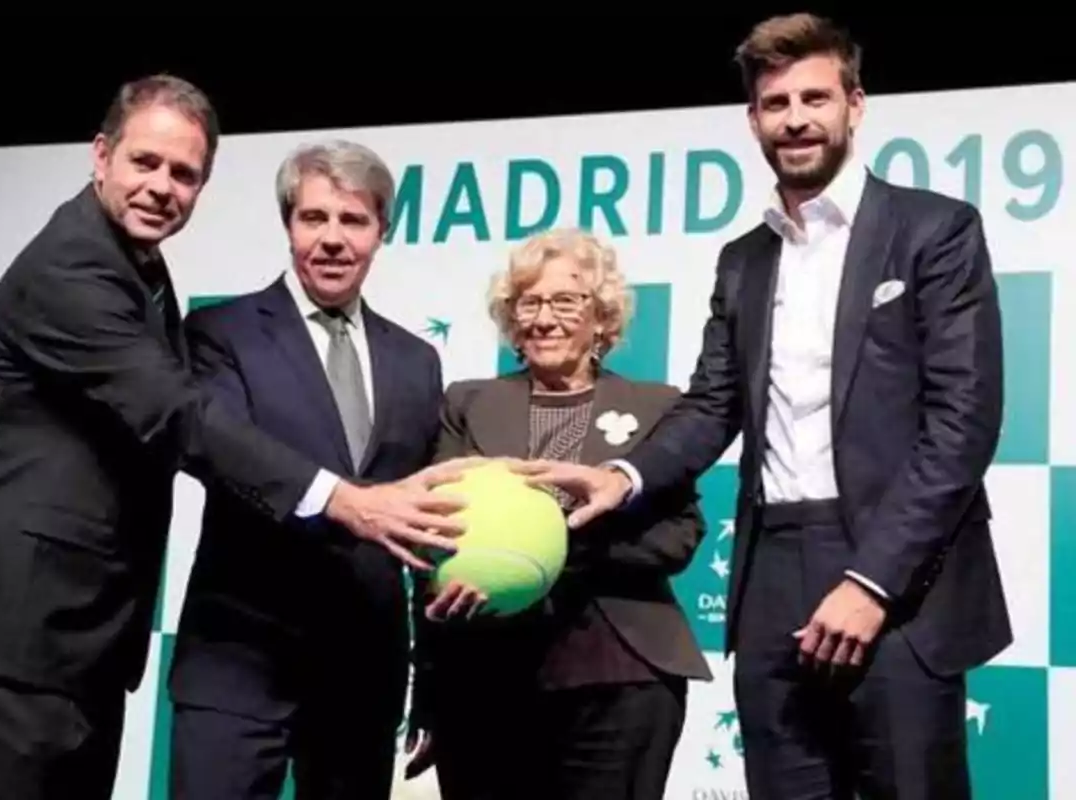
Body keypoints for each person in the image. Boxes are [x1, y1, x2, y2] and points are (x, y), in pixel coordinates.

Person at [0, 76, 467, 800]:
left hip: (81, 636)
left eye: (184, 174)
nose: (162, 187)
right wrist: (348, 502)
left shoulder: (135, 266)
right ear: (101, 155)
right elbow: (181, 417)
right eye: (145, 163)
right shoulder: (72, 268)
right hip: (17, 630)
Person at [519, 14, 1011, 800]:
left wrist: (872, 582)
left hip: (902, 574)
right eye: (775, 103)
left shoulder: (934, 231)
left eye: (815, 97)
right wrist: (622, 477)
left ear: (856, 103)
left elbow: (964, 422)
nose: (795, 118)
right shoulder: (742, 261)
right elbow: (713, 405)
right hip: (772, 568)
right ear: (753, 119)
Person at [166, 139, 474, 800]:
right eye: (314, 218)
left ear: (382, 232)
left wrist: (435, 679)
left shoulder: (417, 361)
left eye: (353, 220)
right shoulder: (219, 332)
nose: (332, 239)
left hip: (364, 669)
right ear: (288, 225)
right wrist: (343, 502)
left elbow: (426, 526)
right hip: (237, 660)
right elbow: (212, 450)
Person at [403, 228, 712, 800]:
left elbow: (680, 536)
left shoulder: (657, 406)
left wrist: (550, 544)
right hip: (486, 677)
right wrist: (429, 688)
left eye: (566, 300)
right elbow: (431, 532)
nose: (545, 318)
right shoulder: (467, 403)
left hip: (621, 673)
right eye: (530, 302)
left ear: (602, 317)